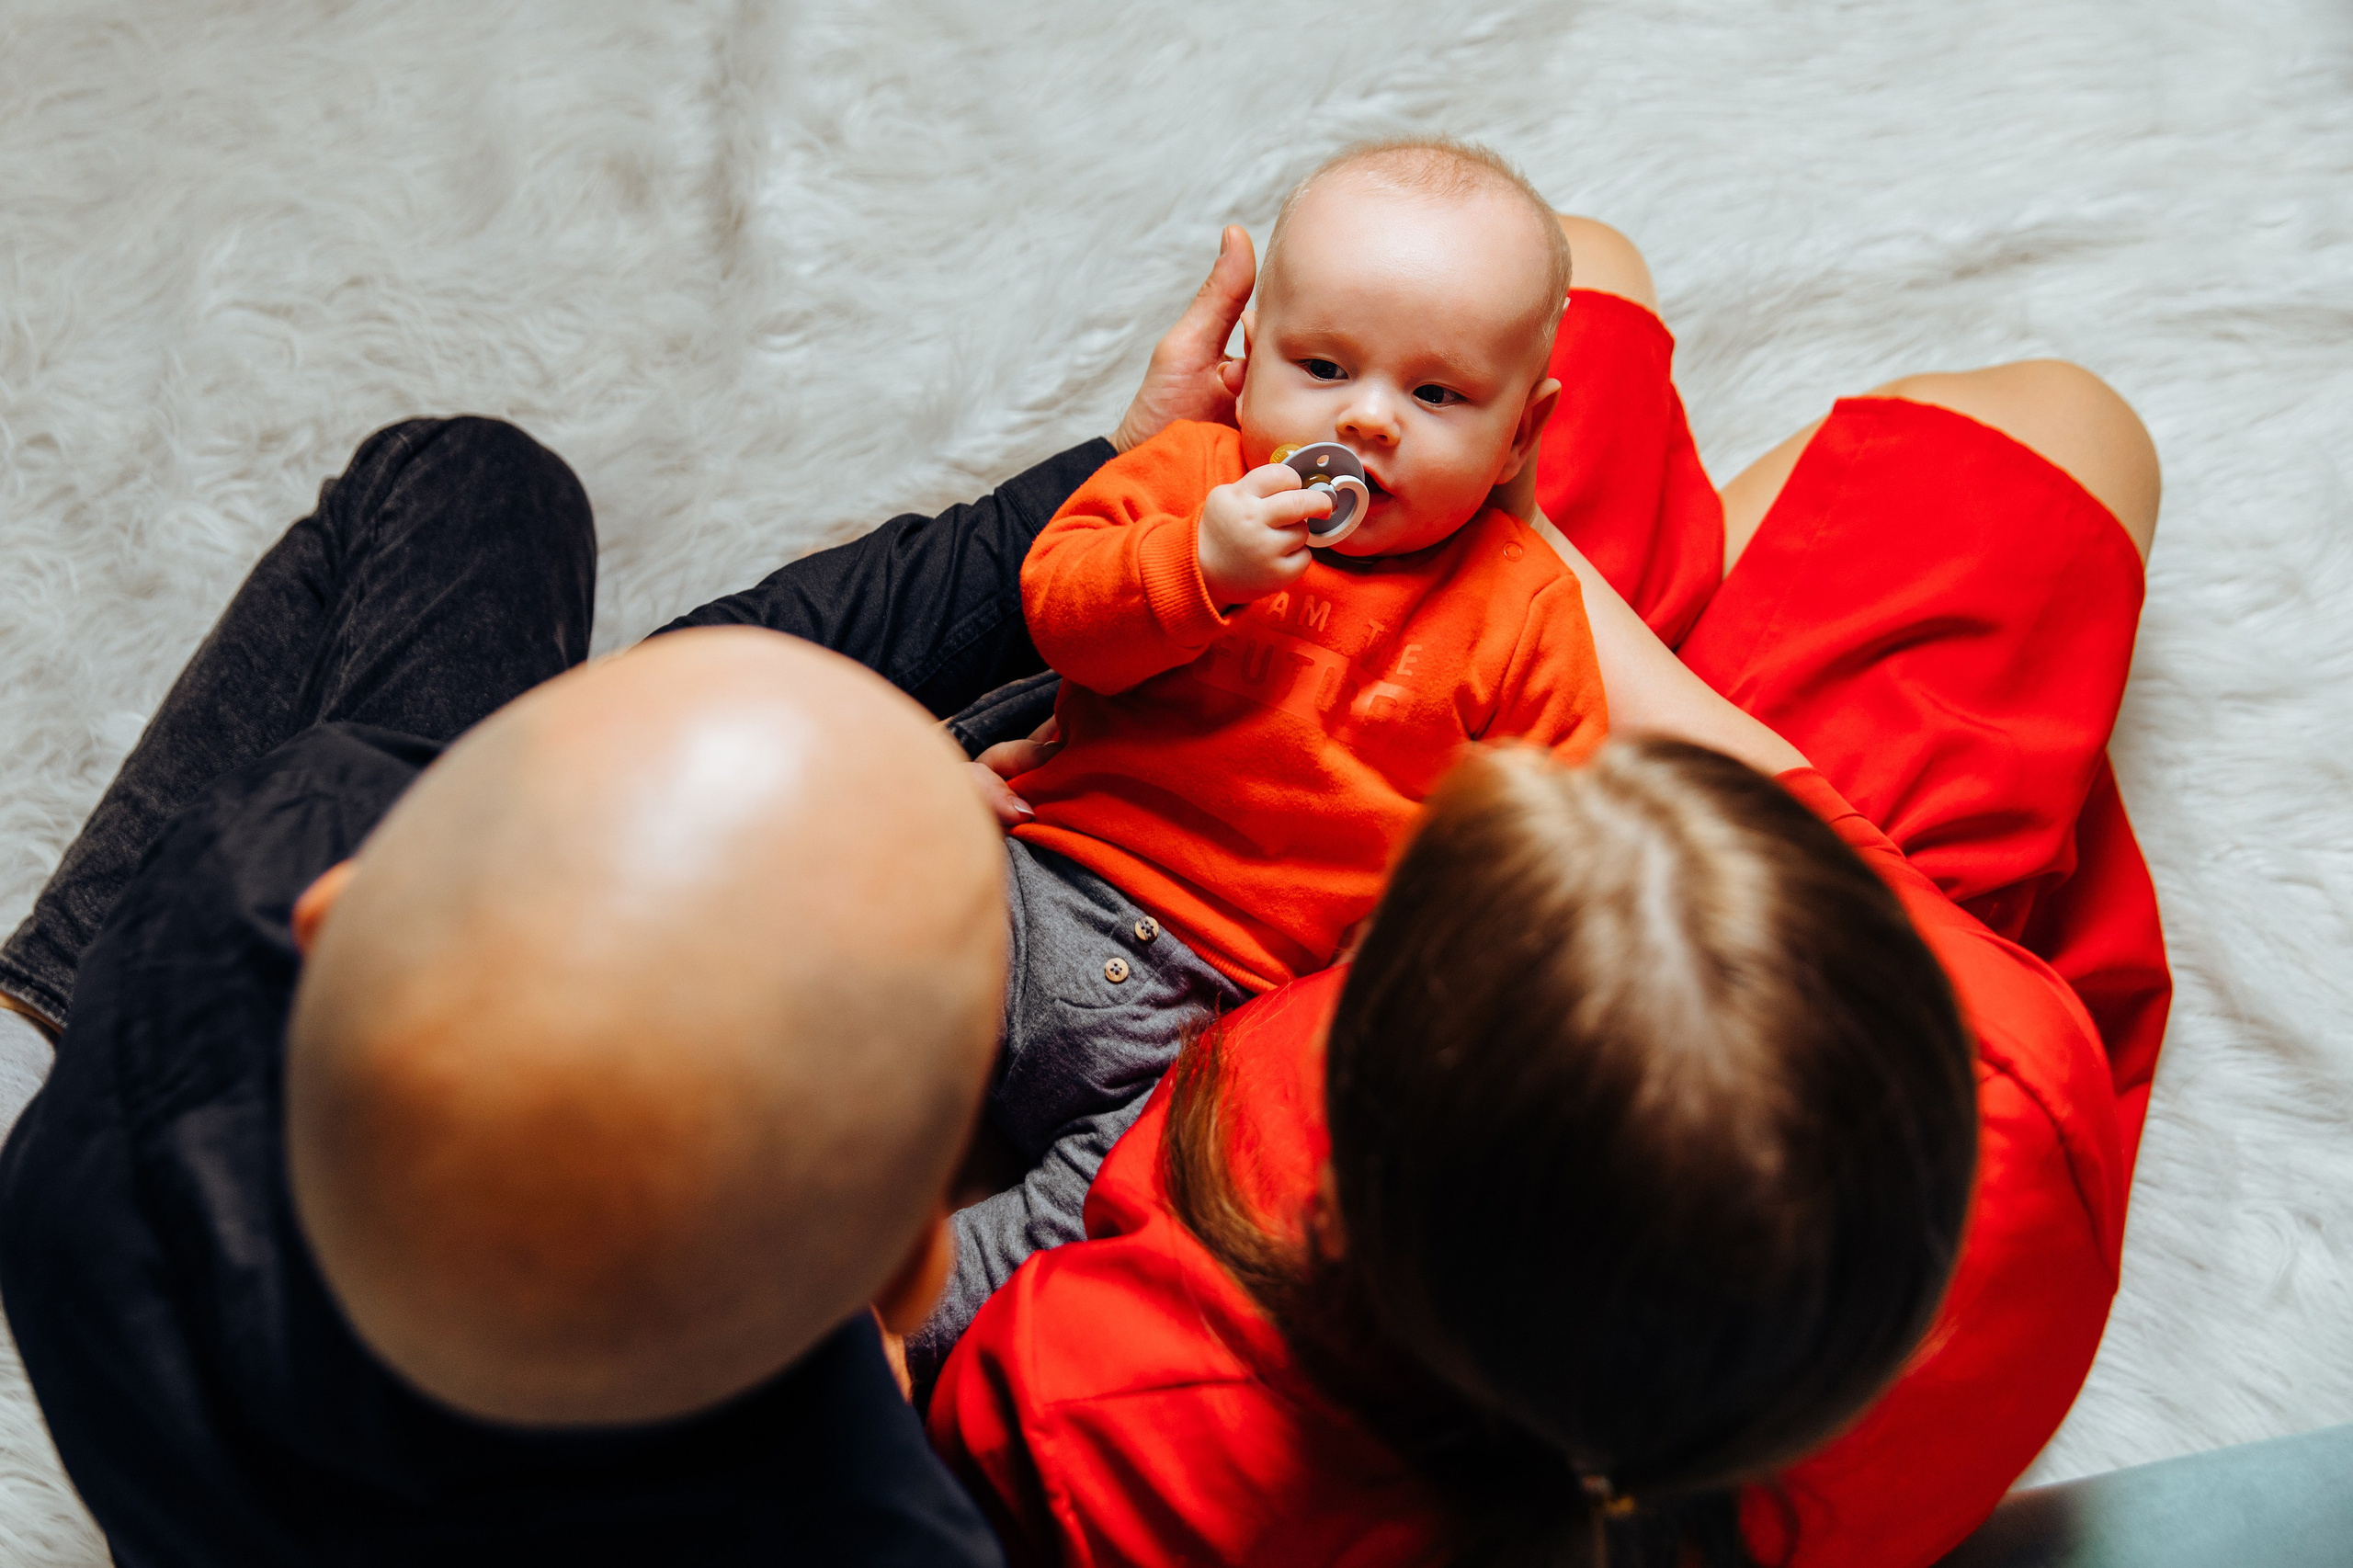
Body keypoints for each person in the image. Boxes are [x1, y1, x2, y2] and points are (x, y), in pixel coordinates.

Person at [925, 220, 2171, 1568]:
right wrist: (1520, 552)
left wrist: (1502, 568)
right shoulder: (2007, 1123)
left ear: (1335, 1190)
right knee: (2060, 422)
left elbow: (896, 1319)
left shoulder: (1128, 1427)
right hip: (1889, 1018)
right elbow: (1817, 839)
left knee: (1583, 283)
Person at [0, 244, 1262, 1565]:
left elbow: (660, 711)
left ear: (342, 908)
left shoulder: (224, 934)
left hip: (166, 1368)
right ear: (900, 1272)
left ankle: (32, 1019)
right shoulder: (854, 1506)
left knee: (479, 484)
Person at [915, 138, 1609, 1375]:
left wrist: (1409, 939)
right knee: (848, 995)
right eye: (1324, 366)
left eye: (1437, 396)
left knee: (1136, 1195)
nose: (1364, 417)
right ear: (1246, 370)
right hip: (1030, 887)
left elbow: (1545, 830)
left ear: (1519, 436)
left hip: (1218, 1011)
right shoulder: (1195, 475)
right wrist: (1198, 568)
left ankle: (910, 1327)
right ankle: (768, 1196)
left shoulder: (1522, 603)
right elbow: (1059, 606)